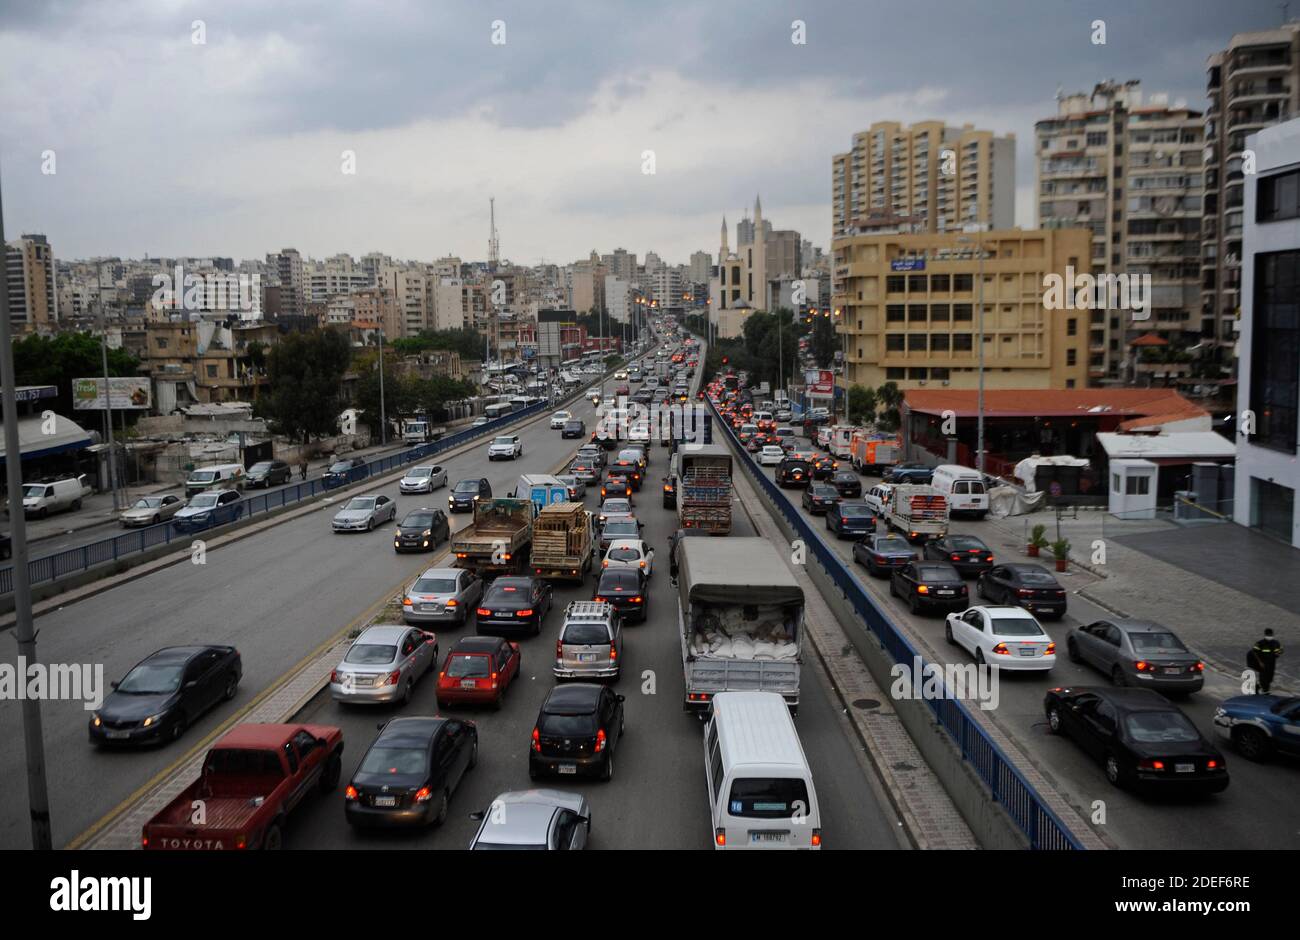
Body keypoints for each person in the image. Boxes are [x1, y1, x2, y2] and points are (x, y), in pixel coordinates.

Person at [1247, 629, 1284, 694]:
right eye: (1268, 635)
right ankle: (1265, 691)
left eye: (1271, 635)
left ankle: (1259, 687)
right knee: (1264, 678)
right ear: (1265, 635)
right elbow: (1254, 652)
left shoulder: (1276, 643)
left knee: (1270, 678)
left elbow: (1279, 651)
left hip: (1272, 663)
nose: (1270, 636)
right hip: (1263, 662)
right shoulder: (1260, 643)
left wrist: (1279, 652)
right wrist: (1260, 662)